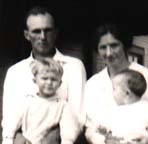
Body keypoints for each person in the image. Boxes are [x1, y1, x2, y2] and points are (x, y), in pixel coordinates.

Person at [2, 6, 86, 144]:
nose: (42, 37)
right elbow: (9, 118)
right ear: (27, 35)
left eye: (48, 30)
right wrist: (16, 138)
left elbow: (78, 117)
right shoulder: (15, 72)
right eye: (36, 31)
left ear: (56, 32)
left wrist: (55, 137)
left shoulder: (74, 67)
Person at [84, 23, 148, 144]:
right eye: (103, 47)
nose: (108, 53)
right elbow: (90, 128)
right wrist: (103, 141)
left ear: (125, 45)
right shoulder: (93, 84)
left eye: (114, 45)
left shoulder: (147, 77)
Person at [2, 58, 79, 144]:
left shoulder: (62, 106)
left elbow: (68, 130)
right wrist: (7, 139)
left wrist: (67, 141)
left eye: (53, 79)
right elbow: (12, 122)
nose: (49, 82)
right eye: (44, 78)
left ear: (60, 83)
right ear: (35, 81)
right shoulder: (27, 101)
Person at [86, 69, 148, 144]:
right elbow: (104, 126)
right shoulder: (113, 109)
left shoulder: (145, 108)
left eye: (114, 89)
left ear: (127, 93)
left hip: (137, 140)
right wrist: (103, 130)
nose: (112, 92)